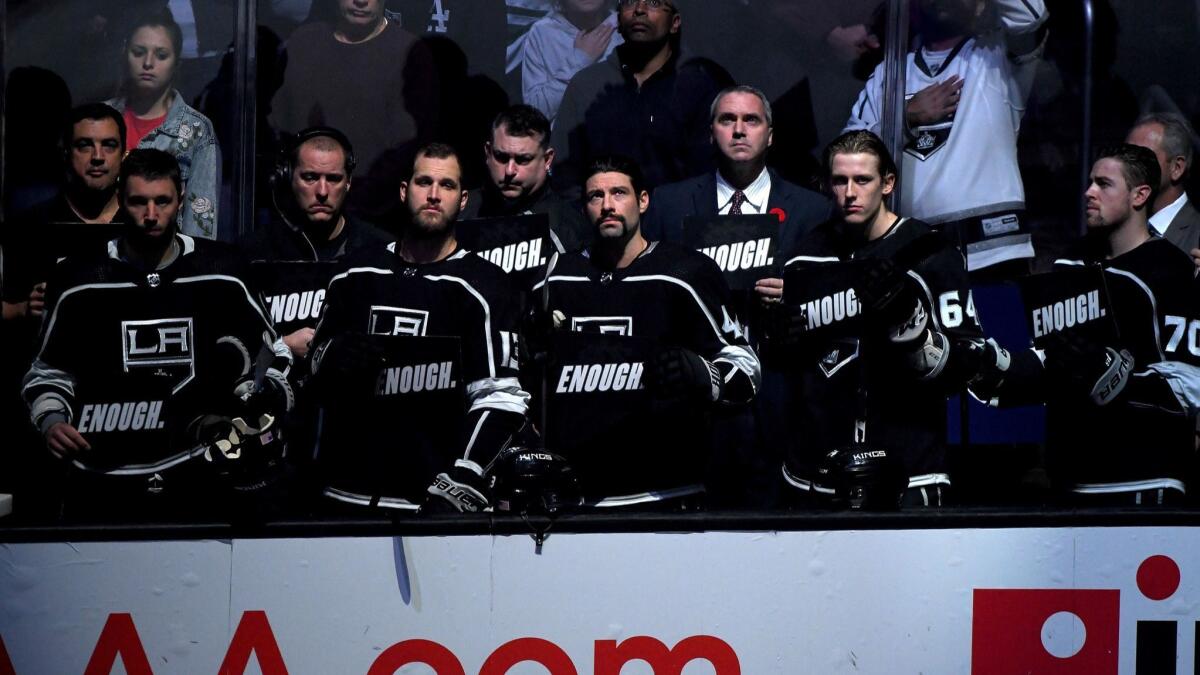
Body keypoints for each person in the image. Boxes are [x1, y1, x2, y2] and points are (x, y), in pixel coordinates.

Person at [21, 149, 292, 519]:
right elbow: (47, 373)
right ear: (120, 199)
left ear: (180, 200)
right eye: (138, 202)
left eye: (162, 201)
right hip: (101, 479)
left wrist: (259, 394)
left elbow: (272, 354)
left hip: (201, 475)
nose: (151, 215)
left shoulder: (224, 272)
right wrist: (52, 421)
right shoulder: (77, 279)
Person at [968, 144, 1200, 505]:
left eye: (1104, 184)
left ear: (1140, 195)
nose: (1089, 192)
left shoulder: (1171, 270)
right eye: (1090, 182)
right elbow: (1045, 362)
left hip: (1146, 476)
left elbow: (1191, 384)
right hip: (1071, 480)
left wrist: (1114, 376)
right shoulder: (1068, 265)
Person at [309, 143, 530, 513]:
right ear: (403, 191)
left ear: (462, 200)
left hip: (430, 507)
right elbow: (311, 367)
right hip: (341, 498)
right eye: (423, 182)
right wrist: (331, 354)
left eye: (446, 186)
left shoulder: (487, 286)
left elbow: (501, 398)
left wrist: (465, 476)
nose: (433, 195)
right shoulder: (353, 274)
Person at [533, 154, 761, 507]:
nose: (608, 205)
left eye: (619, 193)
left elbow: (746, 366)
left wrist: (700, 372)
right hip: (573, 499)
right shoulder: (556, 276)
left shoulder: (684, 273)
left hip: (666, 493)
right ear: (583, 207)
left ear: (643, 200)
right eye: (596, 196)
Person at [773, 131, 985, 507]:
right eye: (839, 181)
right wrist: (776, 340)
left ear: (888, 183)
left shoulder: (931, 253)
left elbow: (969, 359)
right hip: (816, 478)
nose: (850, 192)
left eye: (862, 180)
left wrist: (913, 328)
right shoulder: (805, 258)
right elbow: (795, 369)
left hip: (911, 470)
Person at [845, 0, 1048, 274]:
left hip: (993, 253)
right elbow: (847, 159)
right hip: (914, 259)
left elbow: (1031, 15)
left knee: (1001, 317)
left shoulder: (997, 56)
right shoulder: (887, 75)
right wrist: (906, 116)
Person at [270, 0, 438, 220]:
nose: (361, 0)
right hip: (303, 214)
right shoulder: (304, 44)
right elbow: (279, 128)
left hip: (379, 219)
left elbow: (413, 149)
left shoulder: (410, 53)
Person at [550, 0, 730, 198]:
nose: (639, 10)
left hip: (681, 222)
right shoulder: (586, 85)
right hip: (600, 222)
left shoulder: (700, 84)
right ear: (618, 19)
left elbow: (713, 171)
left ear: (675, 22)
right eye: (629, 2)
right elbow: (565, 174)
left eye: (653, 2)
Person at [239, 126, 391, 359]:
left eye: (333, 179)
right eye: (310, 177)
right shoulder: (253, 253)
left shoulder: (379, 250)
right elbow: (230, 341)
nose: (322, 191)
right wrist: (281, 346)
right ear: (288, 177)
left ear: (349, 182)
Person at [5, 104, 129, 324]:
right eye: (85, 145)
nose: (98, 157)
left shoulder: (142, 222)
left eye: (109, 145)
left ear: (124, 154)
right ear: (65, 152)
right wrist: (22, 308)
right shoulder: (31, 225)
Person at [106, 9, 221, 240]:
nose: (148, 63)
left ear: (176, 63)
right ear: (125, 54)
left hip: (168, 261)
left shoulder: (197, 130)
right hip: (105, 257)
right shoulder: (103, 119)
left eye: (161, 55)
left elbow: (201, 219)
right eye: (139, 52)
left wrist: (191, 271)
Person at [462, 105, 590, 254]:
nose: (510, 171)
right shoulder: (460, 211)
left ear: (547, 159)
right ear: (488, 153)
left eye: (523, 160)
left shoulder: (569, 229)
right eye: (501, 157)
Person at [521, 0, 622, 124]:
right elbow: (533, 113)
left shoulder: (626, 28)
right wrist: (580, 60)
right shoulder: (543, 32)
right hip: (561, 140)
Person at [1125, 112, 1200, 265]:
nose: (1126, 167)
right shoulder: (1115, 231)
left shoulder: (1196, 234)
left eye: (1141, 156)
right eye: (1124, 156)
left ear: (1176, 168)